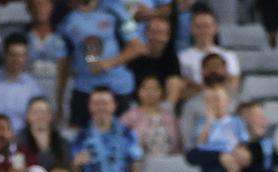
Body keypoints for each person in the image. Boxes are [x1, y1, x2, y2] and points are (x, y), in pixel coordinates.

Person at [55, 0, 144, 128]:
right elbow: (66, 60)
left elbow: (137, 47)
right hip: (84, 90)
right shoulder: (66, 19)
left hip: (117, 89)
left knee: (122, 135)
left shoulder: (118, 10)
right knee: (79, 139)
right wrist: (59, 101)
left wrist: (109, 63)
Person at [70, 88, 143, 172]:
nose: (101, 107)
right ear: (89, 106)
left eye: (105, 103)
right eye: (96, 103)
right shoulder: (81, 137)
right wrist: (76, 166)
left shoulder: (127, 133)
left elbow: (136, 164)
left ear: (114, 105)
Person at [178, 5, 240, 94]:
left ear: (215, 28)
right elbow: (182, 89)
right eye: (199, 26)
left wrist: (196, 86)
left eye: (207, 26)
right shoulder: (181, 58)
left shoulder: (229, 56)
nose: (203, 31)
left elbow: (233, 85)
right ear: (191, 29)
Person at [120, 75, 181, 157]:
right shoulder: (129, 116)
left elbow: (178, 145)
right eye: (146, 88)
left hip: (169, 162)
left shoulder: (170, 116)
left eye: (155, 89)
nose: (150, 92)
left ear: (161, 92)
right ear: (139, 91)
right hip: (141, 164)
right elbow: (122, 143)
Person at [127, 15, 183, 103]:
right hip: (136, 104)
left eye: (160, 33)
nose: (156, 37)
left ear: (167, 37)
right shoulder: (134, 56)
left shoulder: (171, 57)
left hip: (161, 105)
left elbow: (174, 83)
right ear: (146, 33)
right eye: (153, 32)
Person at [17, 96, 70, 172]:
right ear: (28, 116)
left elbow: (65, 169)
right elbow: (18, 169)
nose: (40, 116)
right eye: (36, 112)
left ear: (50, 116)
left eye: (44, 112)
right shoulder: (18, 141)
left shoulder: (62, 142)